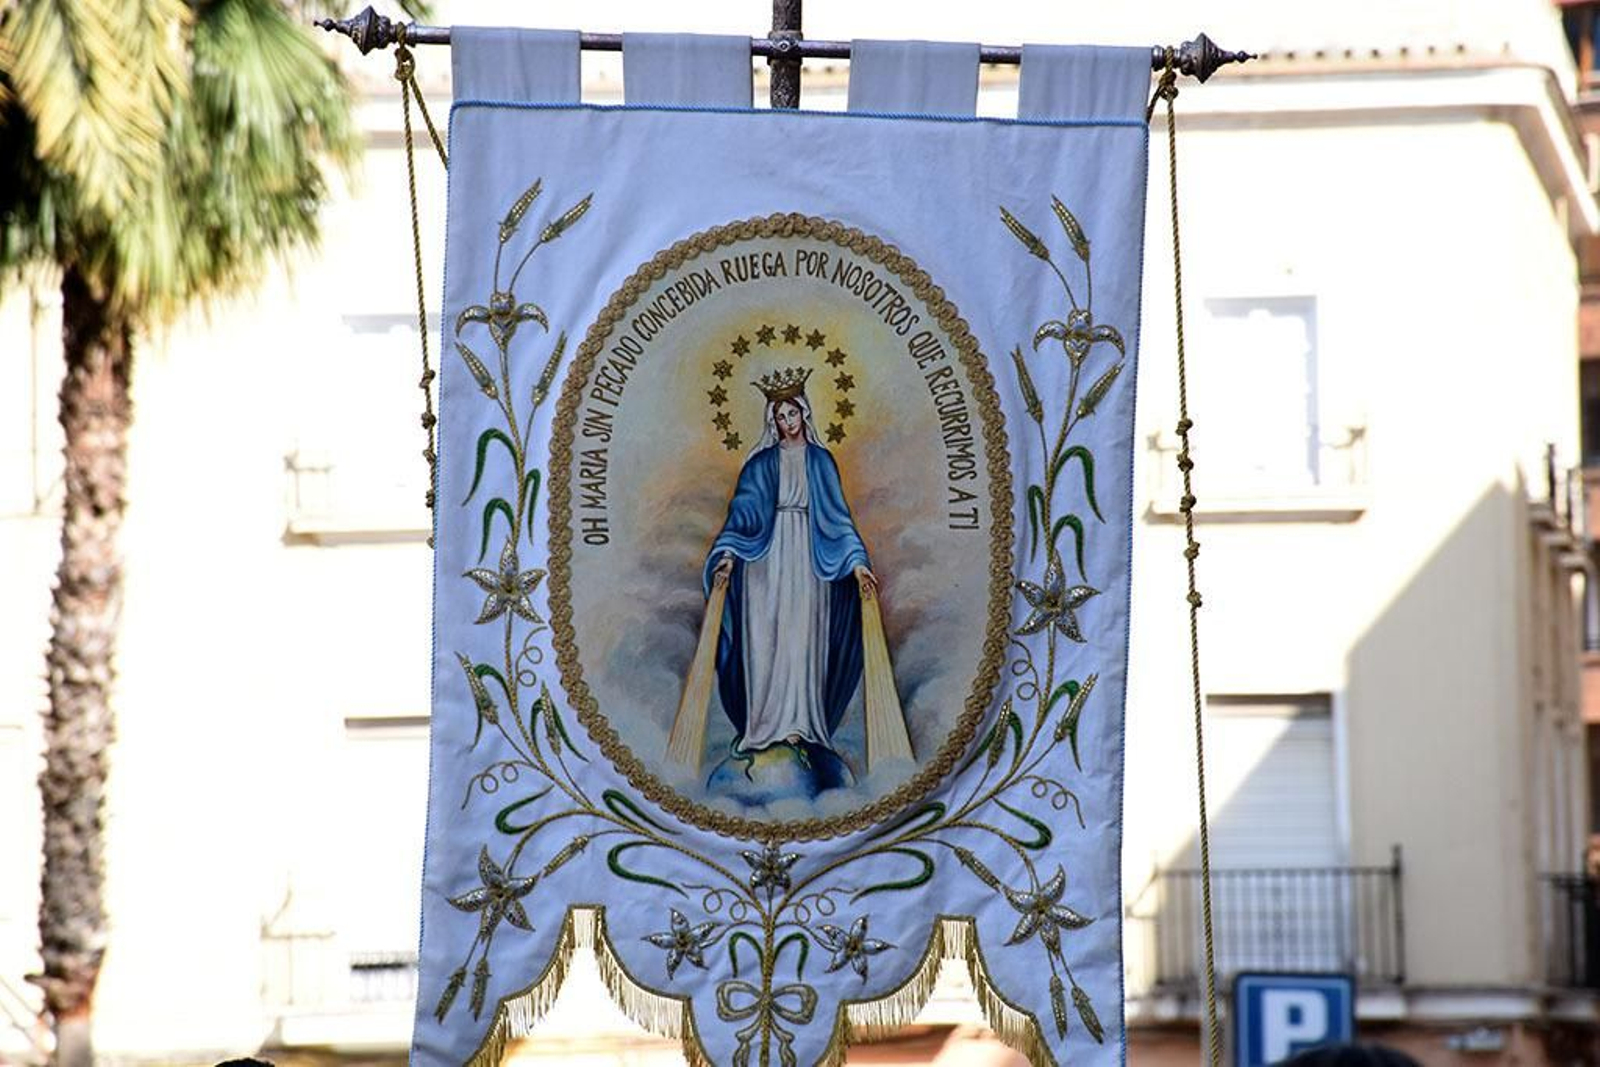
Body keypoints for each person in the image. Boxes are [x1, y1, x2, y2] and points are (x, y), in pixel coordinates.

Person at [702, 368, 877, 764]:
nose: (787, 423)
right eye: (779, 417)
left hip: (809, 560)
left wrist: (857, 565)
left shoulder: (821, 461)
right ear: (773, 421)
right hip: (763, 560)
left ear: (804, 414)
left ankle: (803, 724)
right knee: (765, 639)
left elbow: (838, 519)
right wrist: (728, 558)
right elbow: (741, 517)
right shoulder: (760, 464)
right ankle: (762, 728)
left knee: (802, 637)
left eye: (792, 414)